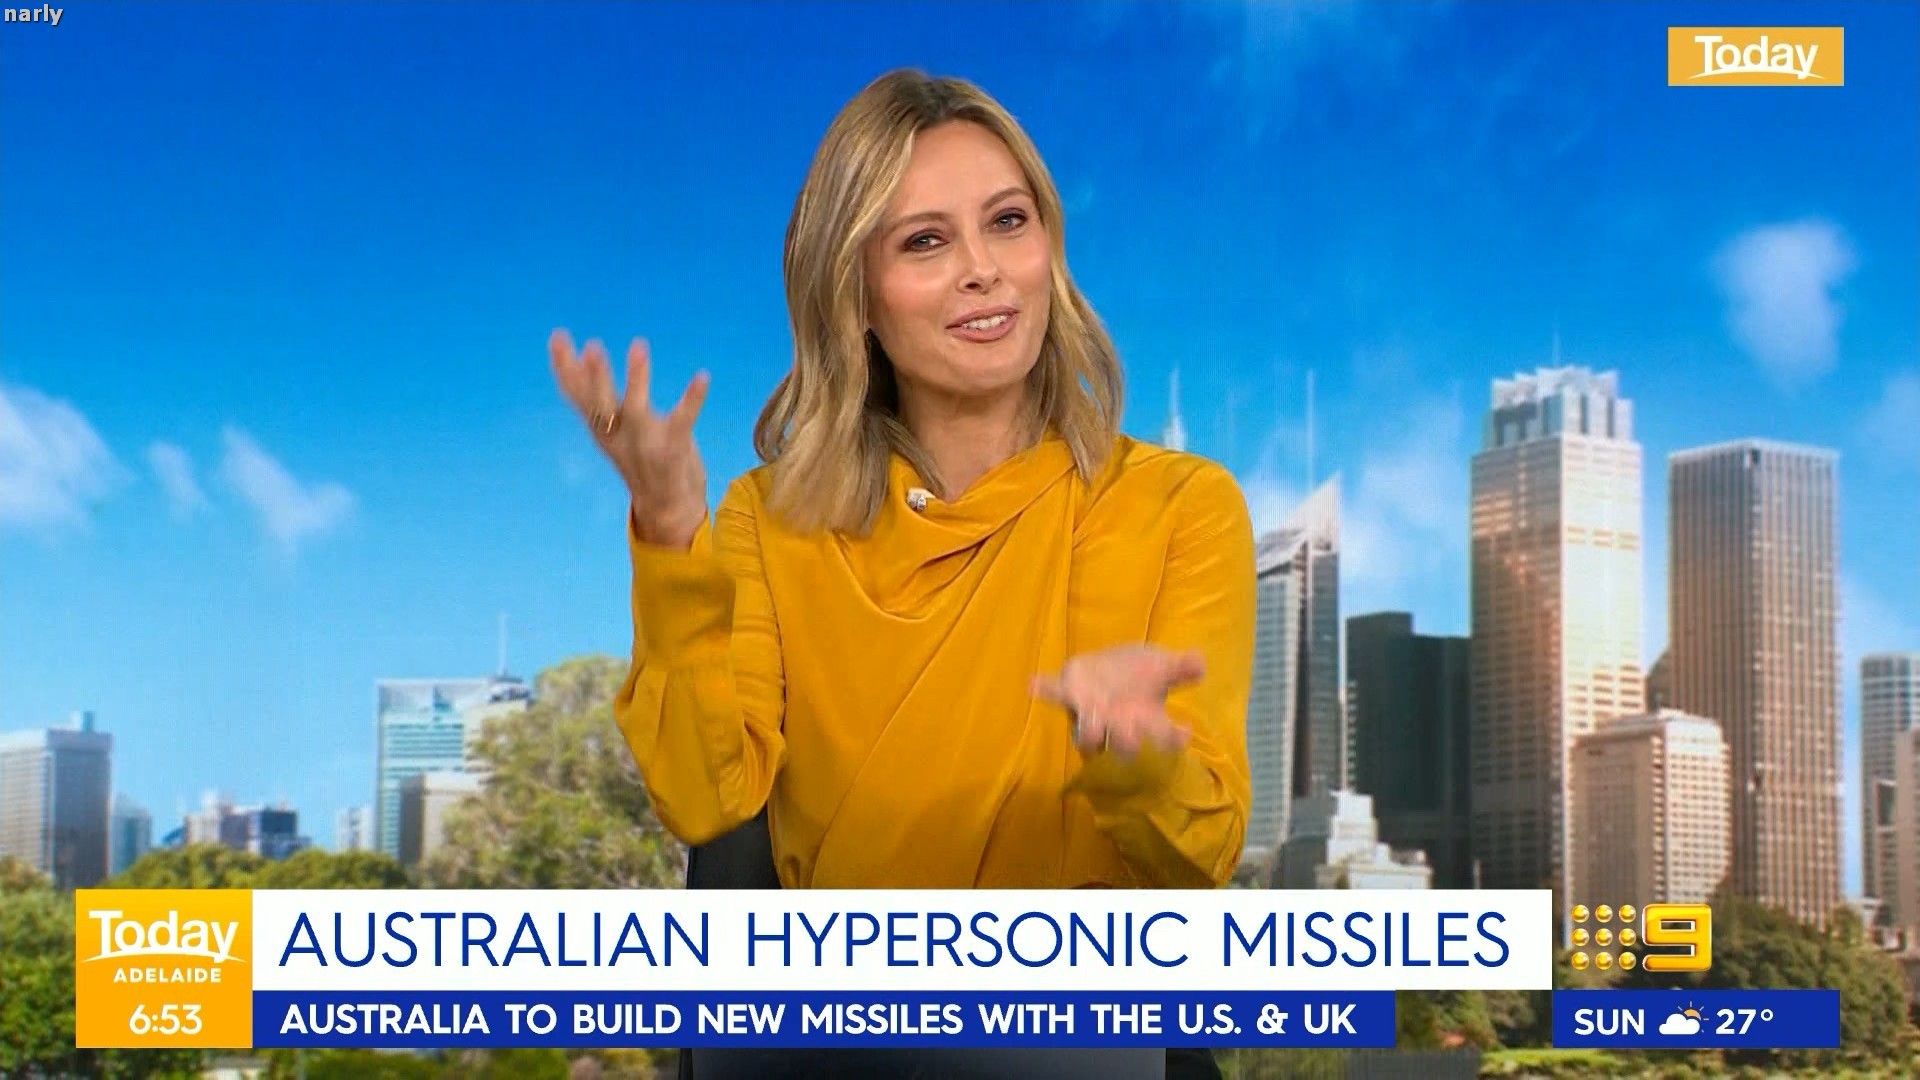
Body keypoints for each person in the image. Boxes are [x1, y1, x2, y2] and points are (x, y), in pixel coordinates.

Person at [551, 69, 1254, 1079]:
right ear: (857, 296)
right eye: (926, 241)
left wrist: (1137, 759)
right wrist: (668, 532)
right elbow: (706, 804)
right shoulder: (768, 521)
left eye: (1007, 222)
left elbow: (1203, 859)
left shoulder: (1181, 507)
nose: (983, 270)